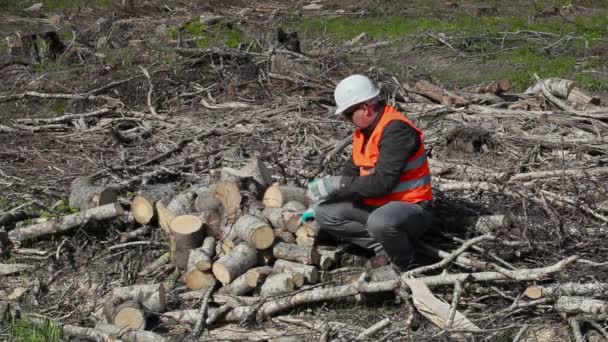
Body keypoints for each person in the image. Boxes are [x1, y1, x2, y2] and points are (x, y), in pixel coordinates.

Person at [303, 74, 433, 272]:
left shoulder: (397, 131)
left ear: (365, 108)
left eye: (348, 114)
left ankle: (405, 264)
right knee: (325, 213)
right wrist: (330, 196)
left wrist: (338, 184)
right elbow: (352, 170)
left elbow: (381, 183)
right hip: (378, 205)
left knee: (380, 222)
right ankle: (385, 250)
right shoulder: (364, 132)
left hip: (411, 209)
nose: (347, 120)